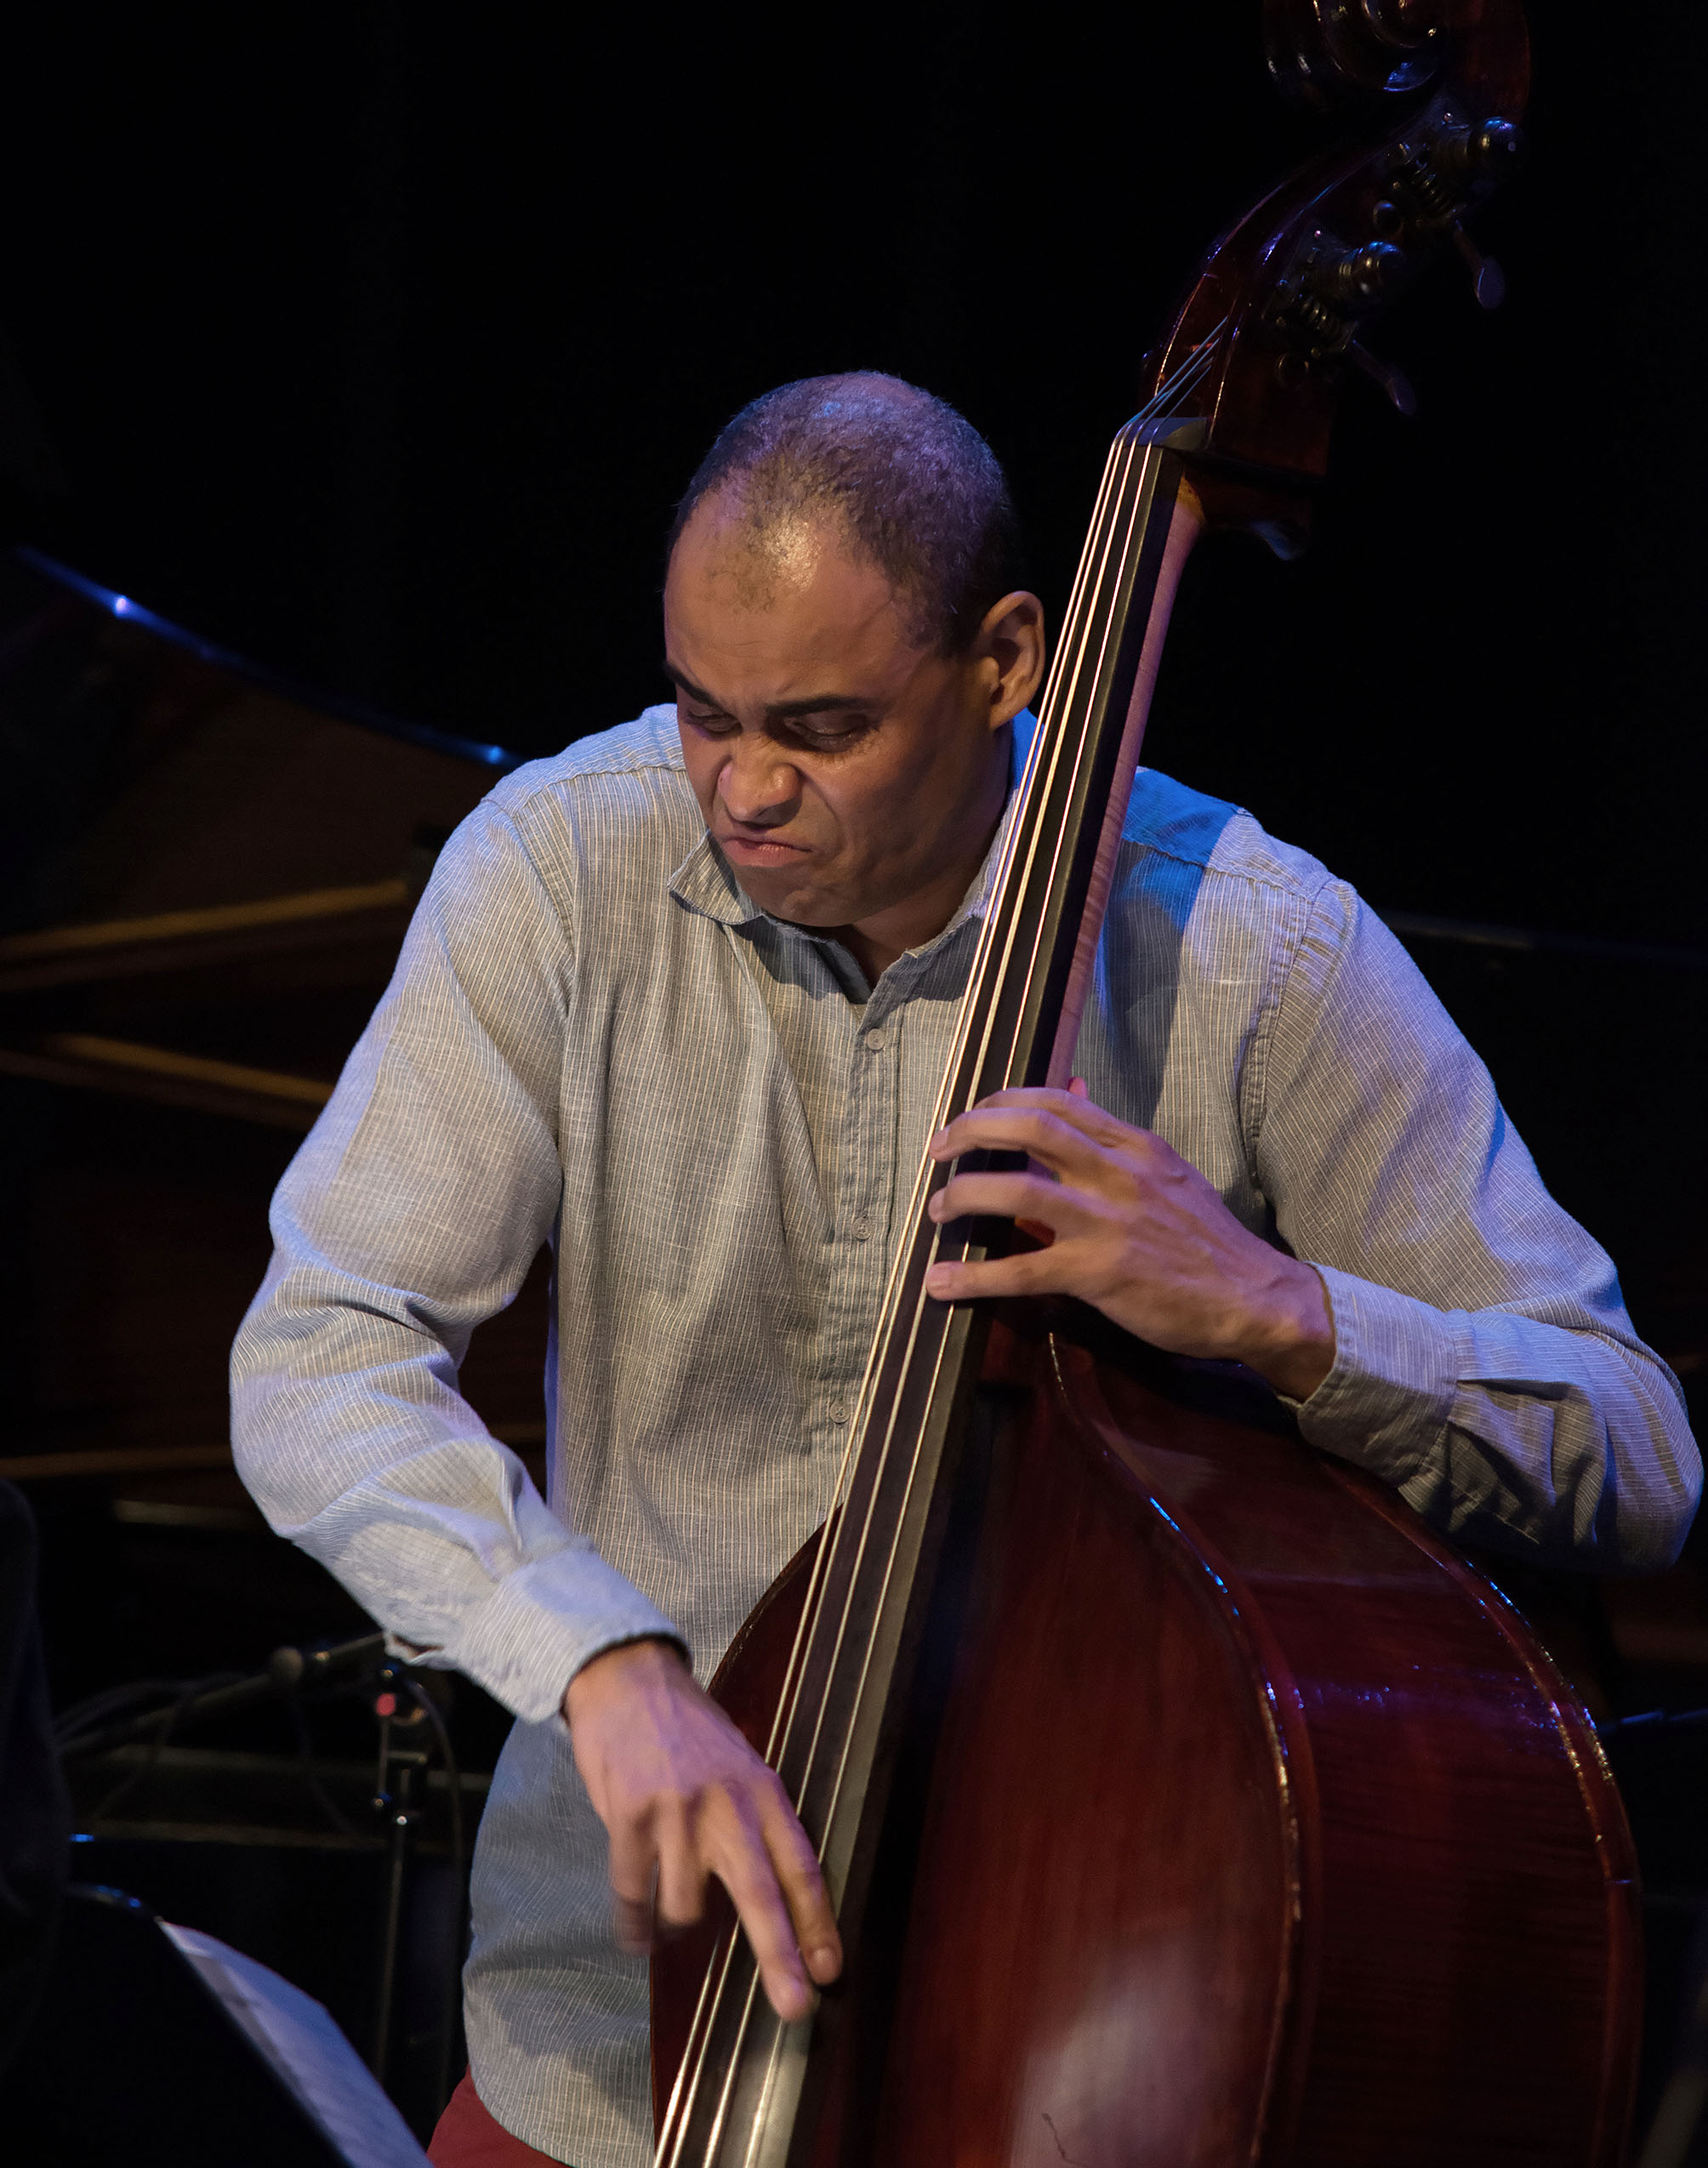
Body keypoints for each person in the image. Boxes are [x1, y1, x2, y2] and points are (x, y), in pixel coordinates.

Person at [231, 372, 1701, 2168]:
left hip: (1082, 2050)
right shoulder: (558, 867)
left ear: (1008, 659)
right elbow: (317, 1352)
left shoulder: (1252, 945)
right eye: (704, 712)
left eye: (822, 726)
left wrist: (1279, 1311)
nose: (743, 792)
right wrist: (599, 1662)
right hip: (615, 2044)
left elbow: (1634, 1450)